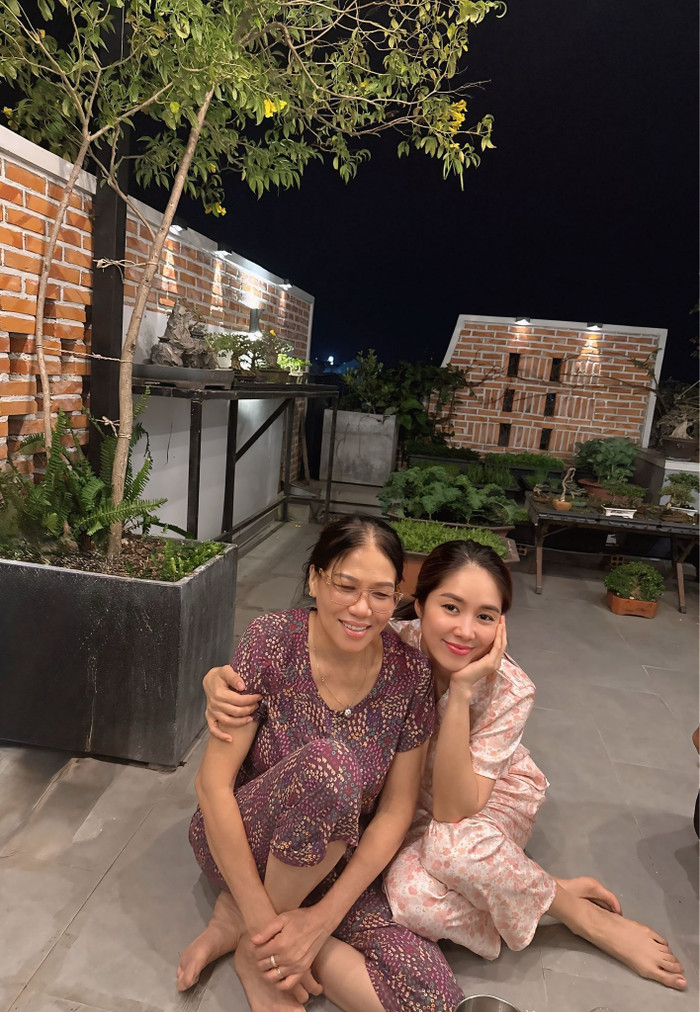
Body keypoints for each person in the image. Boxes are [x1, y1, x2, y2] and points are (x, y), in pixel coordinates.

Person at [205, 538, 687, 993]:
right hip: (404, 803)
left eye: (485, 616)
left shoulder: (511, 690)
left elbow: (455, 810)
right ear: (418, 603)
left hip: (482, 799)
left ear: (502, 624)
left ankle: (582, 917)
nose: (465, 631)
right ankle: (538, 890)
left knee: (452, 849)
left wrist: (460, 693)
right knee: (411, 899)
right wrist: (216, 683)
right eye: (451, 607)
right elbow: (312, 651)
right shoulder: (387, 642)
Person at [178, 516, 465, 1012]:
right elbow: (212, 786)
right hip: (243, 840)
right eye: (345, 586)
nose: (362, 608)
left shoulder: (410, 673)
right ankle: (258, 946)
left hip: (334, 862)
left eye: (380, 594)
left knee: (433, 996)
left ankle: (251, 928)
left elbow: (395, 810)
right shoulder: (273, 641)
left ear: (398, 596)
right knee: (330, 767)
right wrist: (264, 926)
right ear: (314, 579)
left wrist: (323, 920)